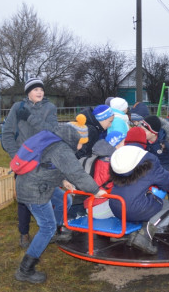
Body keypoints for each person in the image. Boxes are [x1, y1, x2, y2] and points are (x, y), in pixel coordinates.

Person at [14, 117, 107, 284]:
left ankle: (49, 234)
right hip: (34, 190)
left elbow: (44, 166)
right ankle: (25, 270)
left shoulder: (54, 139)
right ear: (74, 139)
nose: (82, 146)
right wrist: (96, 190)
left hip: (36, 182)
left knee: (67, 202)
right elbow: (77, 173)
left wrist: (62, 181)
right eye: (81, 142)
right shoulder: (62, 149)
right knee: (47, 226)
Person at [1, 77, 59, 249]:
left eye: (41, 89)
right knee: (24, 199)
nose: (39, 92)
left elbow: (52, 132)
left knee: (49, 193)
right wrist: (16, 157)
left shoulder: (50, 108)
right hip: (24, 162)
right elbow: (7, 134)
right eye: (35, 89)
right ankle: (24, 233)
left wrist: (31, 117)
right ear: (28, 93)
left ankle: (53, 228)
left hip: (44, 160)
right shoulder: (17, 108)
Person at [109, 145, 169, 254]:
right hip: (135, 208)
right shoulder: (149, 163)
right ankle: (145, 237)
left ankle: (126, 233)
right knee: (166, 205)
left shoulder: (117, 165)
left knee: (138, 204)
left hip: (115, 205)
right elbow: (167, 184)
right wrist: (167, 175)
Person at [82, 131, 126, 219]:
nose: (126, 146)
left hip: (92, 204)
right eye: (124, 142)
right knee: (131, 205)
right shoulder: (111, 163)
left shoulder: (101, 157)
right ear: (117, 144)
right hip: (99, 207)